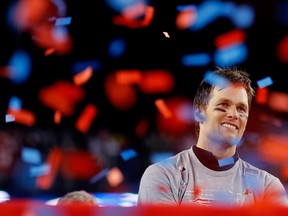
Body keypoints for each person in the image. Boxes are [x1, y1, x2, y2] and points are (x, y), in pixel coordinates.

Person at [137, 67, 288, 206]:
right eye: (223, 105)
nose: (234, 115)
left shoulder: (267, 185)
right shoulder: (164, 176)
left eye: (241, 109)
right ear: (198, 113)